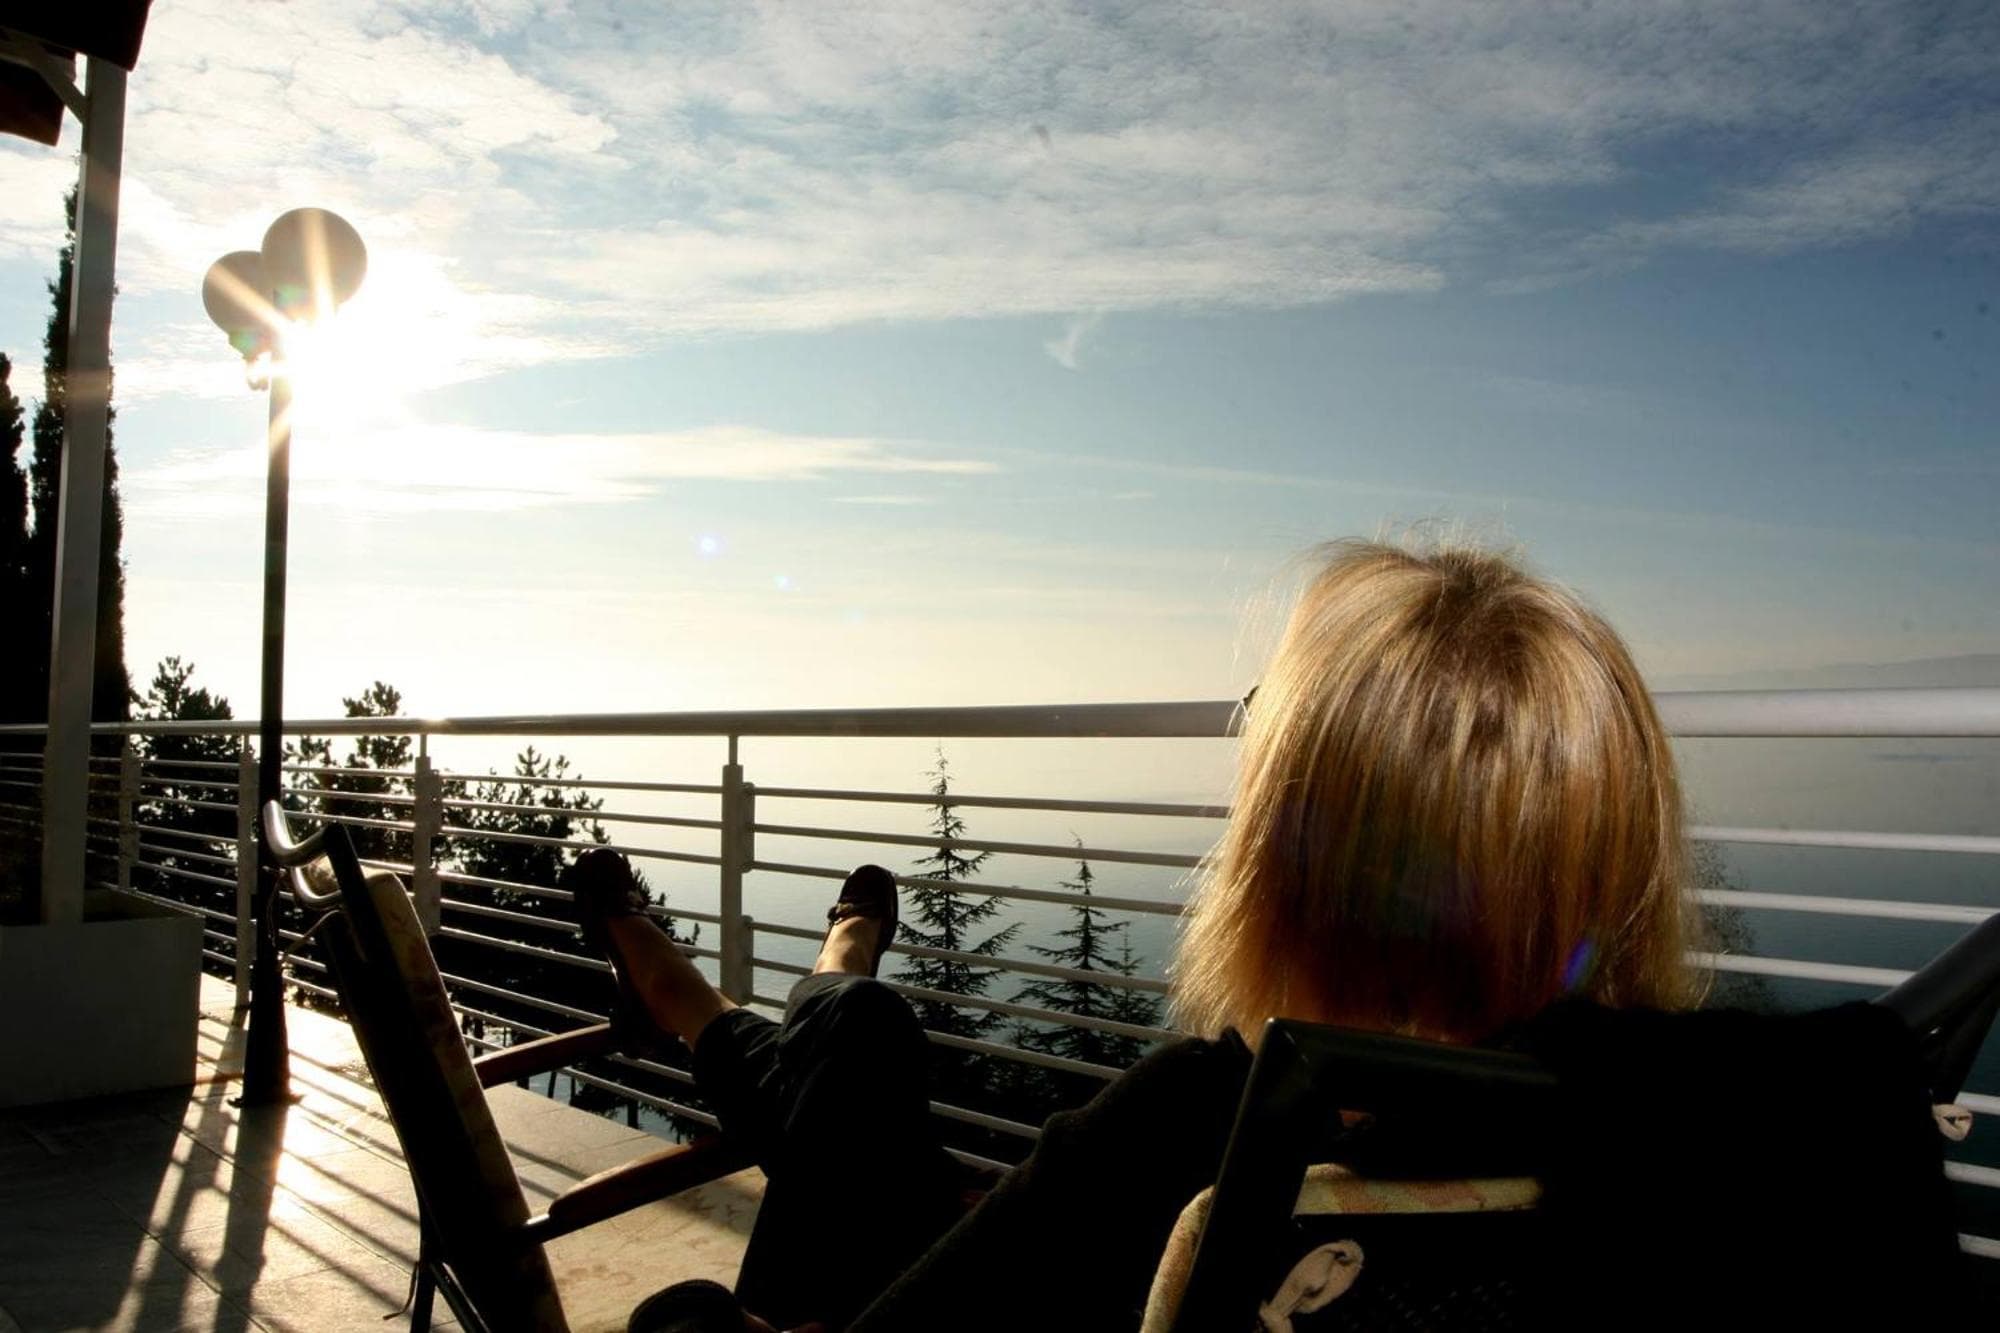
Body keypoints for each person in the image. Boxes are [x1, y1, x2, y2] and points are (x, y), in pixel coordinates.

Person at [575, 538, 1704, 1332]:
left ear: (1290, 862)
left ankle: (767, 976)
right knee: (851, 1069)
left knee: (852, 1049)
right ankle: (763, 983)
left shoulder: (1200, 1130)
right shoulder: (1687, 1153)